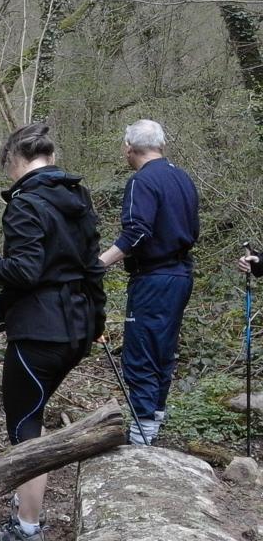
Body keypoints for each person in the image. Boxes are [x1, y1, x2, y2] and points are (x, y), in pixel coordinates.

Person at [0, 124, 106, 541]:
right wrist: (98, 321)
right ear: (50, 158)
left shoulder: (25, 203)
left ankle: (27, 525)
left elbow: (24, 271)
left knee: (25, 426)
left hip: (41, 333)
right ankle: (27, 508)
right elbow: (91, 267)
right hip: (77, 328)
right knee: (32, 414)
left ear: (14, 161)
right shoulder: (76, 197)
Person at [98, 120, 199, 445]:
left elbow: (137, 232)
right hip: (180, 275)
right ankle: (153, 420)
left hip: (154, 278)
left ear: (129, 148)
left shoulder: (142, 181)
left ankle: (142, 434)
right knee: (162, 350)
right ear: (162, 145)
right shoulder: (182, 177)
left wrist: (98, 264)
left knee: (142, 351)